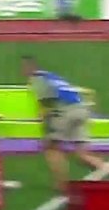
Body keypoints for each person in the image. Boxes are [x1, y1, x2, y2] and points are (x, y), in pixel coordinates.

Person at [22, 56, 104, 192]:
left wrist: (43, 120)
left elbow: (47, 103)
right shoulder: (53, 76)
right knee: (82, 155)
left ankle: (62, 185)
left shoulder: (37, 79)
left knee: (52, 148)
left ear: (30, 67)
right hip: (81, 111)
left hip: (65, 112)